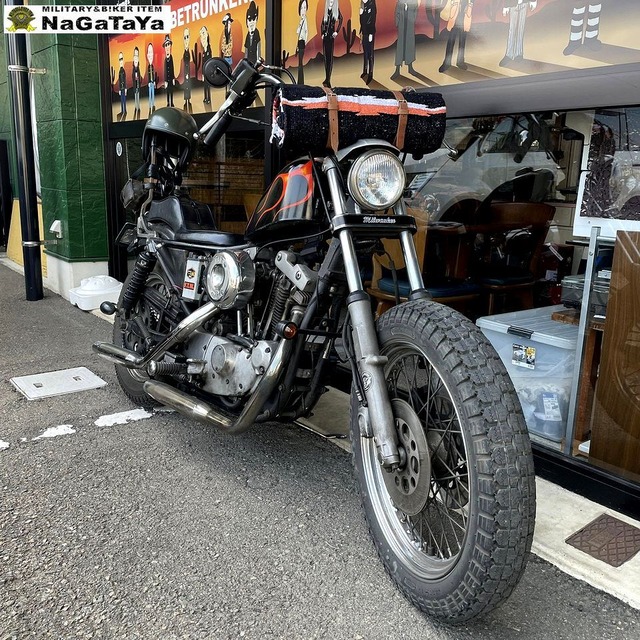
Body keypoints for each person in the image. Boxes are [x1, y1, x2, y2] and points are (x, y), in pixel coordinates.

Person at [439, 0, 474, 73]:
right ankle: (447, 63)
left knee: (462, 41)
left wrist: (470, 4)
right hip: (455, 15)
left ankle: (460, 61)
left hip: (464, 15)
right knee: (451, 41)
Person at [499, 1, 537, 68]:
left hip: (524, 3)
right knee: (512, 28)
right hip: (513, 3)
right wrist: (506, 6)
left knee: (521, 27)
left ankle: (519, 54)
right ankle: (509, 55)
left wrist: (533, 1)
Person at [393, 0, 419, 79]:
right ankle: (397, 69)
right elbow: (397, 13)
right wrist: (398, 23)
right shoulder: (400, 2)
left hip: (410, 26)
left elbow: (415, 12)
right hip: (402, 26)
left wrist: (412, 20)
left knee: (409, 45)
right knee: (400, 47)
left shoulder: (414, 2)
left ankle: (410, 68)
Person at [321, 0, 343, 88]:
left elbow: (341, 19)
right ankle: (326, 78)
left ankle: (328, 79)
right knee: (325, 58)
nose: (331, 2)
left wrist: (336, 31)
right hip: (325, 37)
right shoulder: (326, 10)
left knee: (329, 58)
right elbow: (322, 23)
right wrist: (322, 33)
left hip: (330, 37)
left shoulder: (336, 10)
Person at [359, 0, 377, 85]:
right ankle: (365, 71)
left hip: (370, 32)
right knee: (365, 52)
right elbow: (362, 22)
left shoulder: (372, 4)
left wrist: (370, 33)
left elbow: (373, 19)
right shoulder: (363, 5)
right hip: (364, 32)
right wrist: (361, 14)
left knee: (370, 54)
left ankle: (371, 73)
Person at [295, 0, 308, 85]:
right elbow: (298, 32)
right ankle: (300, 80)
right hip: (299, 43)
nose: (303, 10)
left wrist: (305, 41)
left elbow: (306, 32)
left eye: (305, 8)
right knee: (300, 62)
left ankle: (300, 81)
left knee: (300, 63)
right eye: (302, 8)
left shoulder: (305, 21)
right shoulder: (301, 20)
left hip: (302, 42)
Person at [163, 35, 175, 107]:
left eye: (168, 44)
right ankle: (168, 102)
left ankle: (172, 102)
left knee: (171, 90)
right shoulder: (165, 60)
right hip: (167, 79)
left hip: (171, 78)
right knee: (167, 91)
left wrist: (173, 78)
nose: (167, 47)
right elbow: (165, 70)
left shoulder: (171, 58)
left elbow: (172, 68)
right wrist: (165, 80)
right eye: (166, 45)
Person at [183, 28, 192, 112]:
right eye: (184, 37)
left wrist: (188, 74)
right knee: (185, 87)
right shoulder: (185, 51)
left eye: (187, 37)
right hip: (185, 74)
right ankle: (186, 100)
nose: (186, 40)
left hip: (188, 73)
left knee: (188, 87)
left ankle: (188, 100)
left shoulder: (189, 51)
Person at [146, 42, 156, 115]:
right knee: (150, 94)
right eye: (149, 52)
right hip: (150, 83)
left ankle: (153, 105)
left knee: (153, 94)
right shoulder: (148, 67)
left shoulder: (152, 66)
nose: (150, 55)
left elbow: (153, 74)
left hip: (153, 82)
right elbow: (148, 75)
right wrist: (149, 82)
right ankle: (150, 106)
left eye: (151, 52)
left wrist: (154, 81)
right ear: (147, 55)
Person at [132, 46, 142, 119]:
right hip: (135, 85)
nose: (136, 58)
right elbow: (132, 76)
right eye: (135, 56)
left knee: (138, 96)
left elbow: (139, 76)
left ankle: (138, 107)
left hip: (138, 85)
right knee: (135, 96)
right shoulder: (133, 68)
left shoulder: (138, 68)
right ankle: (136, 107)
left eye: (137, 56)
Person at [117, 51, 127, 118]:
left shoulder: (123, 70)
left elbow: (125, 80)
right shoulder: (119, 71)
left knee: (124, 100)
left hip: (124, 88)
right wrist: (119, 89)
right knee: (121, 100)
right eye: (119, 59)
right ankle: (122, 111)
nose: (121, 61)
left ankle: (125, 111)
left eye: (121, 59)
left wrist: (125, 88)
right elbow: (119, 80)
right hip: (121, 88)